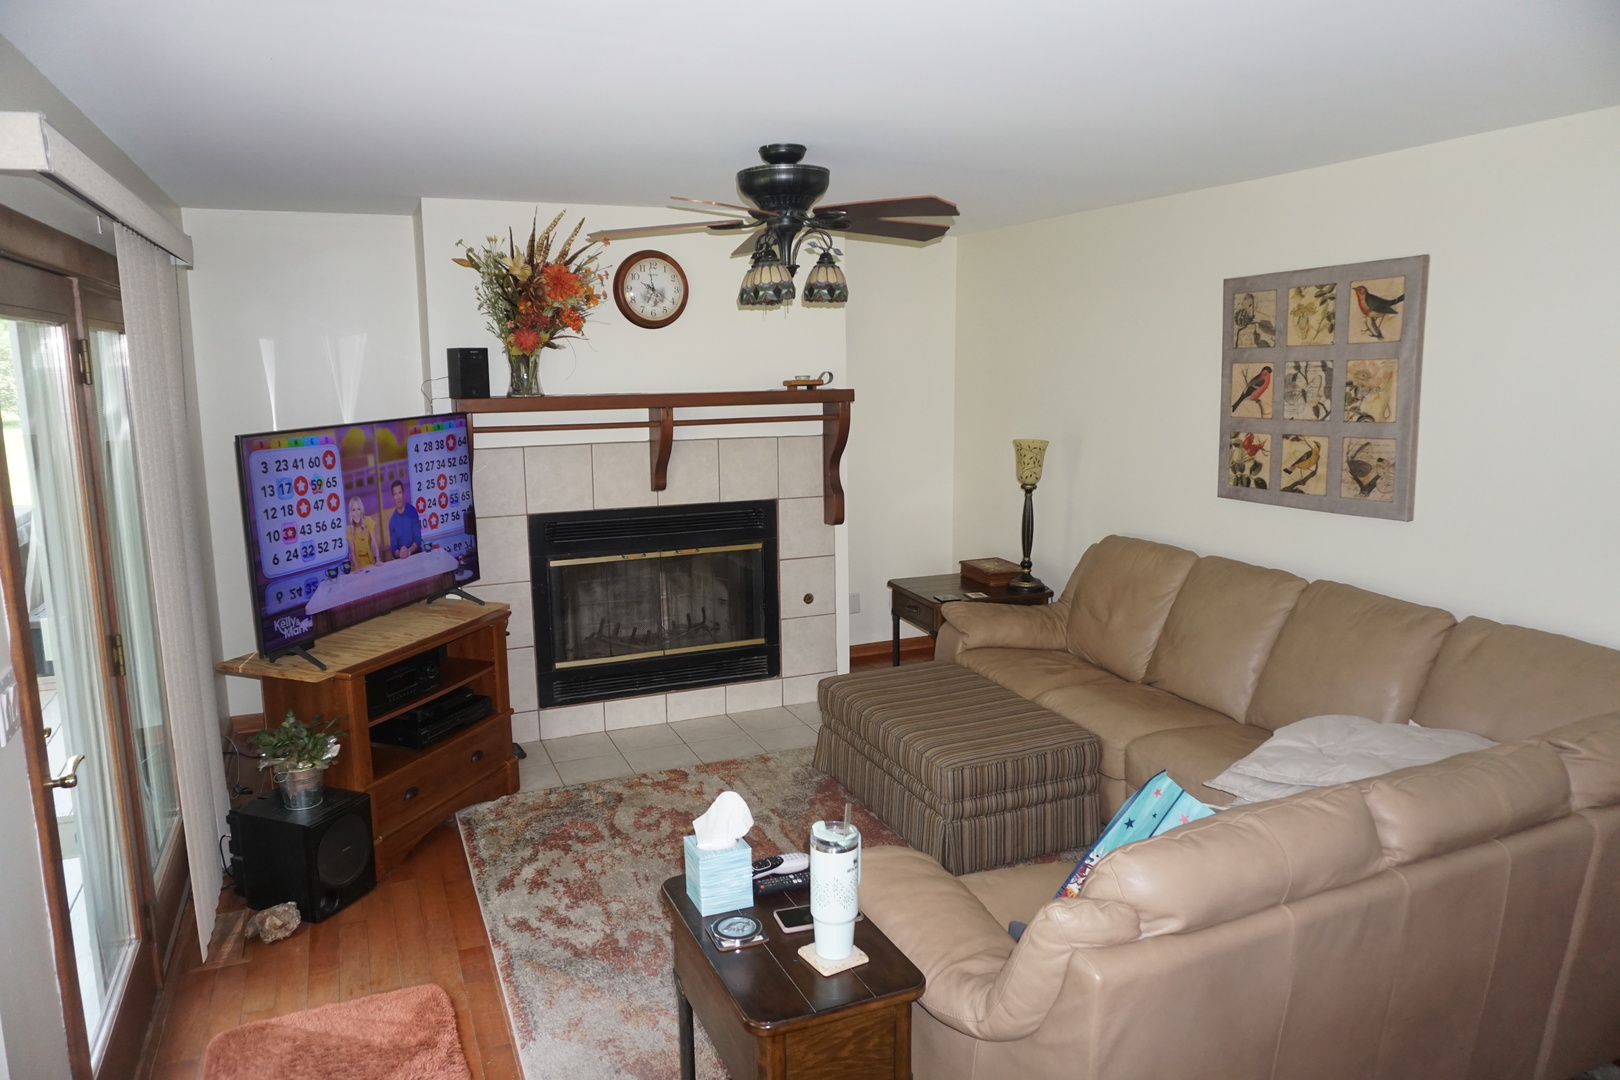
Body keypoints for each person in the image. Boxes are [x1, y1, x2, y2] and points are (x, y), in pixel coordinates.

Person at [387, 479, 422, 560]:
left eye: (400, 493)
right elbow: (394, 548)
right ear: (393, 498)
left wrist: (409, 551)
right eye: (395, 494)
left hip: (416, 555)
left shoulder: (412, 511)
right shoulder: (392, 521)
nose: (398, 497)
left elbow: (417, 539)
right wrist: (400, 554)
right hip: (401, 559)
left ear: (404, 494)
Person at [345, 496, 380, 569]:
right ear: (350, 513)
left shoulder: (368, 521)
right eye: (353, 510)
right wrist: (357, 567)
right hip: (356, 565)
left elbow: (374, 542)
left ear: (362, 510)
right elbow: (352, 551)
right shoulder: (349, 529)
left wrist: (378, 560)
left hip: (370, 562)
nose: (356, 513)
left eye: (358, 509)